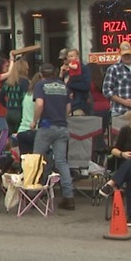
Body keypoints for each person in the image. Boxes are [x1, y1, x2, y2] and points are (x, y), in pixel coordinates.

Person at [31, 63, 76, 210]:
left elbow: (39, 104)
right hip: (62, 127)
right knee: (62, 162)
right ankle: (69, 198)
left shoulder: (40, 85)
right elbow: (68, 108)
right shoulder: (63, 86)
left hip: (46, 126)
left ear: (41, 73)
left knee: (36, 161)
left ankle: (32, 196)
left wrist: (34, 121)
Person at [102, 41, 131, 117]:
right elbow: (106, 90)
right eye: (125, 55)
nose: (127, 57)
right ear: (120, 53)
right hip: (119, 112)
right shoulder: (113, 69)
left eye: (128, 54)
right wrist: (124, 102)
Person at [0, 58, 30, 133]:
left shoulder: (9, 82)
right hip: (20, 112)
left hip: (9, 112)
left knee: (11, 137)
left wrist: (7, 105)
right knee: (20, 137)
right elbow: (25, 97)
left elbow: (0, 97)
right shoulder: (25, 82)